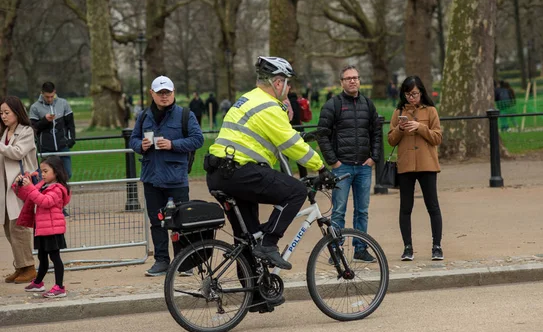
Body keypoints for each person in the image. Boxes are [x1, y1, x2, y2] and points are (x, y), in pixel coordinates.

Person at [205, 56, 334, 274]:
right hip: (240, 172)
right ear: (277, 82)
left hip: (219, 173)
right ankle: (270, 242)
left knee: (247, 238)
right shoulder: (268, 106)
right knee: (296, 191)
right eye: (287, 82)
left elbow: (269, 135)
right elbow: (289, 143)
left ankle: (255, 295)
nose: (289, 87)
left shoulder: (247, 99)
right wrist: (321, 168)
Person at [129, 76, 204, 276]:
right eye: (160, 93)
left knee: (182, 221)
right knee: (157, 221)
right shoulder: (144, 116)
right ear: (151, 94)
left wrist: (173, 144)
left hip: (176, 177)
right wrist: (140, 146)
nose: (164, 96)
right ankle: (161, 261)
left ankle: (185, 262)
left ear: (173, 93)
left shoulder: (185, 115)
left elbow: (198, 139)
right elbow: (133, 139)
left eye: (168, 93)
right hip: (151, 177)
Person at [316, 65, 382, 263]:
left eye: (355, 77)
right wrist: (333, 161)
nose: (353, 81)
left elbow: (376, 133)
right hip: (342, 166)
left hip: (363, 166)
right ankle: (336, 251)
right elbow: (322, 134)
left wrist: (374, 158)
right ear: (342, 82)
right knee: (338, 211)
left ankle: (360, 249)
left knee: (362, 211)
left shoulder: (368, 105)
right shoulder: (332, 105)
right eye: (348, 78)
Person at [388, 76, 443, 261]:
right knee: (405, 207)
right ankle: (408, 247)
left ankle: (437, 246)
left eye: (415, 94)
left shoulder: (431, 111)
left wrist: (420, 127)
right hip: (406, 165)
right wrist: (400, 129)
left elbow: (437, 138)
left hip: (427, 164)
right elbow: (391, 140)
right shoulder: (398, 112)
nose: (412, 98)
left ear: (421, 92)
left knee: (432, 206)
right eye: (408, 94)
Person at [13, 156, 71, 298]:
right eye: (41, 171)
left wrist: (31, 187)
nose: (42, 174)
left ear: (56, 172)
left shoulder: (57, 189)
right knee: (42, 256)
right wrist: (19, 185)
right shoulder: (42, 185)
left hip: (52, 229)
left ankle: (60, 287)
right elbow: (28, 196)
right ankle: (38, 283)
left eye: (45, 171)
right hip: (42, 228)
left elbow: (44, 201)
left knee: (55, 257)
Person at [0, 96, 37, 284]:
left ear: (16, 112)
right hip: (5, 186)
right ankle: (20, 266)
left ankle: (29, 267)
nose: (3, 116)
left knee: (19, 226)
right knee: (8, 226)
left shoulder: (27, 131)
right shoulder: (5, 131)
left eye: (7, 112)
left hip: (20, 186)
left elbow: (17, 152)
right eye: (1, 113)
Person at [29, 82, 76, 178]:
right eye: (47, 97)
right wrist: (45, 120)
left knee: (67, 174)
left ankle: (61, 192)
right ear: (41, 93)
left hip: (62, 146)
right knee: (46, 177)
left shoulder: (63, 103)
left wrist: (71, 139)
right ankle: (49, 192)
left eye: (52, 96)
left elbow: (70, 124)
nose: (50, 99)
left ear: (55, 92)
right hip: (45, 148)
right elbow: (33, 129)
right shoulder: (35, 107)